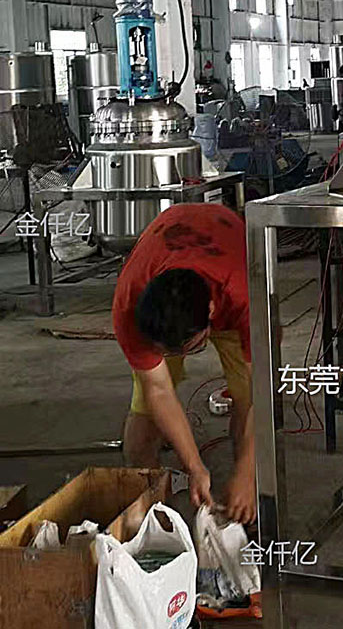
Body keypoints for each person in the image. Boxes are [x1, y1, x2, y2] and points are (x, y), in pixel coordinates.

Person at [112, 203, 256, 524]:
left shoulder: (245, 295)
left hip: (228, 249)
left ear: (211, 312)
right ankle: (147, 516)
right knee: (145, 412)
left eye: (191, 348)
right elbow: (159, 390)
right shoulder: (129, 306)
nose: (177, 359)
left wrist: (247, 473)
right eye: (166, 353)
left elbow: (262, 395)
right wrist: (195, 467)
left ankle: (245, 503)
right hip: (171, 249)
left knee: (247, 395)